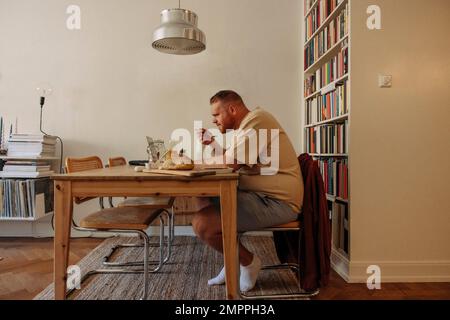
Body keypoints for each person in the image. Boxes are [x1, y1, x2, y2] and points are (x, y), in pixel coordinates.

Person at [192, 90, 304, 292]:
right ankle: (231, 258)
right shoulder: (247, 127)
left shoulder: (257, 120)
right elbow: (231, 160)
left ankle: (248, 262)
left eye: (216, 115)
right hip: (260, 197)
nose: (214, 121)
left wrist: (192, 164)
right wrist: (213, 144)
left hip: (277, 202)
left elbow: (231, 163)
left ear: (232, 109)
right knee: (203, 195)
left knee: (204, 224)